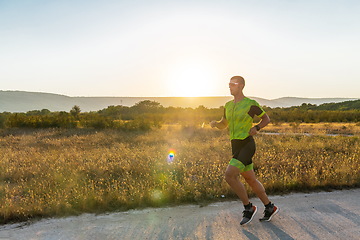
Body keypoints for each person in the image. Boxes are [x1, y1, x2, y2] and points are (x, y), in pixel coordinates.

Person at [210, 76, 279, 226]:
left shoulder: (250, 104)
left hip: (247, 144)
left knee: (229, 175)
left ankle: (248, 208)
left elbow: (266, 118)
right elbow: (224, 124)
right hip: (235, 145)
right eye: (229, 84)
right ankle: (269, 207)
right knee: (250, 179)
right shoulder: (228, 105)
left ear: (241, 86)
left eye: (233, 84)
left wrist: (257, 128)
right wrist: (216, 124)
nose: (230, 86)